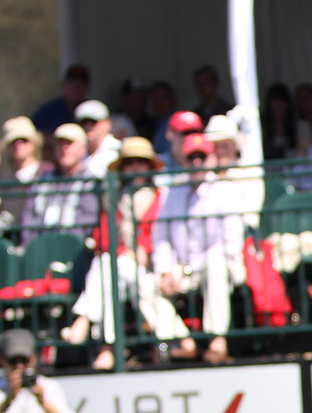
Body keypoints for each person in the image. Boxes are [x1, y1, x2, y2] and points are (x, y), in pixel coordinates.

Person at [60, 138, 186, 366]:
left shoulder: (162, 197)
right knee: (110, 267)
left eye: (141, 162)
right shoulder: (113, 198)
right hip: (121, 263)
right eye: (130, 162)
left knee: (109, 267)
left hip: (151, 266)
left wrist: (140, 254)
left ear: (149, 167)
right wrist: (124, 252)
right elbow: (102, 238)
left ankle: (93, 330)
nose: (136, 167)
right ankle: (107, 345)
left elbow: (165, 238)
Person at [151, 133, 240, 364]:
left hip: (221, 265)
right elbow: (161, 237)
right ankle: (183, 340)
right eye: (192, 157)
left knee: (215, 264)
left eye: (202, 157)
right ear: (183, 161)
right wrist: (165, 270)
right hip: (183, 269)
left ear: (211, 159)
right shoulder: (172, 193)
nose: (197, 163)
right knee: (146, 283)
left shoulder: (224, 190)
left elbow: (229, 244)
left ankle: (217, 339)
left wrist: (187, 269)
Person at [21, 123, 101, 244]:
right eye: (60, 144)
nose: (64, 148)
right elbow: (28, 215)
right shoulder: (42, 180)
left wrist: (64, 242)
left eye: (69, 144)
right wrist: (31, 245)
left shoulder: (90, 181)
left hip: (74, 250)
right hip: (40, 247)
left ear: (83, 148)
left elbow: (89, 218)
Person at [32, 63, 91, 135]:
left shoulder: (92, 112)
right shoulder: (48, 112)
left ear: (88, 87)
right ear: (64, 85)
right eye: (72, 81)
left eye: (82, 82)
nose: (77, 86)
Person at [75, 99, 121, 178]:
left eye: (93, 121)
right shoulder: (77, 153)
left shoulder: (119, 150)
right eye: (84, 122)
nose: (88, 126)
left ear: (107, 123)